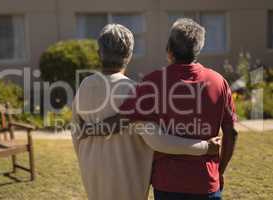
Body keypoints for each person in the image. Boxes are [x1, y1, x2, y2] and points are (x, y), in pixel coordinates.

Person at [83, 19, 239, 200]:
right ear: (198, 49)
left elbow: (120, 121)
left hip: (168, 184)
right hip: (206, 183)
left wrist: (89, 129)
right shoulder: (219, 82)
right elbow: (232, 132)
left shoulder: (153, 82)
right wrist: (220, 171)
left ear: (168, 49)